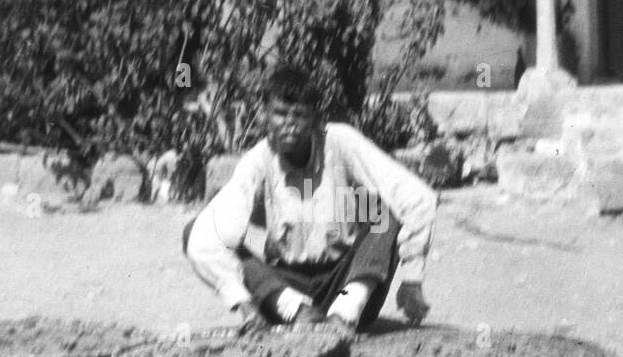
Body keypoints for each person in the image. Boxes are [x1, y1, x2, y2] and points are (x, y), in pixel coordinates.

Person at [183, 68, 437, 333]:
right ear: (265, 115)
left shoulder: (340, 142)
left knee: (383, 209)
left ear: (316, 118)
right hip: (286, 291)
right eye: (280, 114)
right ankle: (298, 313)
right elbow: (208, 236)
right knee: (197, 229)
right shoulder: (257, 161)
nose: (289, 124)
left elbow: (416, 196)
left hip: (348, 280)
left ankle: (343, 314)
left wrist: (412, 278)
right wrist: (245, 305)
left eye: (300, 115)